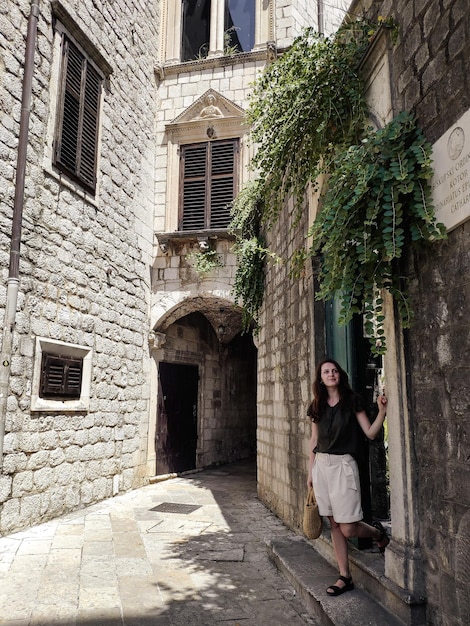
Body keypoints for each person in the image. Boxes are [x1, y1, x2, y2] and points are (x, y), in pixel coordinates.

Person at [307, 358, 390, 596]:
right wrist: (310, 473)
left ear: (339, 375)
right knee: (334, 523)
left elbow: (370, 433)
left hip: (344, 466)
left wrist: (382, 411)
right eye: (326, 371)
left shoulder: (353, 401)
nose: (331, 374)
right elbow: (313, 442)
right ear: (320, 379)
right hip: (322, 466)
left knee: (348, 528)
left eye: (334, 370)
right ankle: (345, 576)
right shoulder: (316, 406)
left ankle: (377, 534)